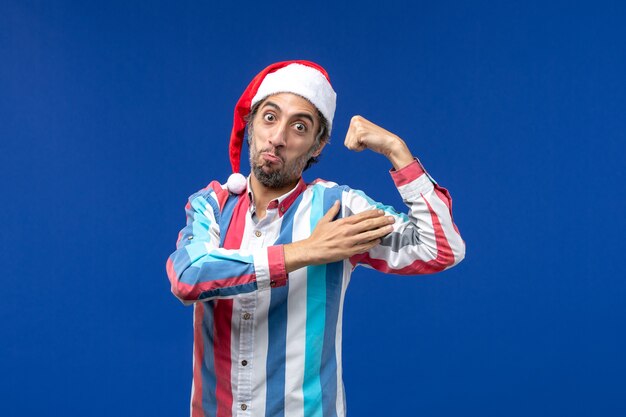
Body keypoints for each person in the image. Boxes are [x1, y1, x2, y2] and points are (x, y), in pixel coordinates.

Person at [166, 60, 465, 417]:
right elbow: (187, 279)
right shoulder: (212, 205)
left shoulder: (337, 209)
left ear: (318, 145)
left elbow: (441, 248)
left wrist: (396, 150)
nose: (278, 138)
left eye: (299, 126)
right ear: (251, 125)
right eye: (270, 118)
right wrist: (307, 250)